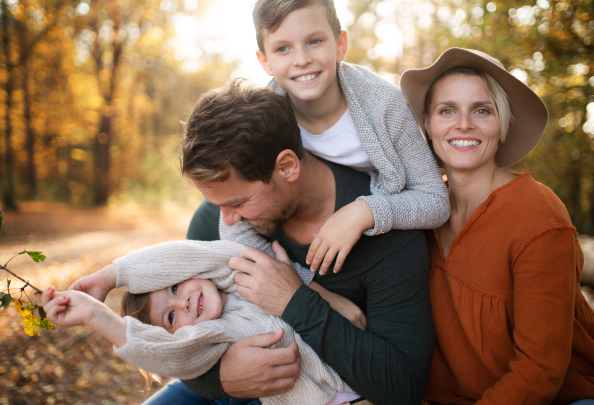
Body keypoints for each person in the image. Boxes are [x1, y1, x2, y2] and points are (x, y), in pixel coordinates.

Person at [71, 78, 435, 405]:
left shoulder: (389, 237)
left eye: (238, 202)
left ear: (287, 167)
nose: (225, 221)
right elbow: (177, 346)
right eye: (218, 205)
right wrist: (224, 378)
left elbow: (402, 388)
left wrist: (296, 301)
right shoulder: (214, 218)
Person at [399, 47, 594, 404]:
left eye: (481, 110)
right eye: (447, 110)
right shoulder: (415, 214)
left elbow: (540, 371)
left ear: (501, 124)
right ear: (427, 124)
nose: (463, 125)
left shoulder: (538, 216)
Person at [218, 0, 449, 276]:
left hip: (377, 228)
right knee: (207, 219)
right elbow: (233, 225)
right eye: (283, 48)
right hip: (302, 225)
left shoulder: (384, 106)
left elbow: (435, 201)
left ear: (340, 45)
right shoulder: (264, 115)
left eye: (314, 41)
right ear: (265, 61)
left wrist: (364, 211)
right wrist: (303, 284)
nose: (301, 59)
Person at [40, 239, 368, 405]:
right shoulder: (213, 335)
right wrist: (98, 316)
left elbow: (186, 254)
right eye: (171, 317)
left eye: (175, 286)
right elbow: (175, 354)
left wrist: (112, 275)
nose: (182, 301)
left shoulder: (232, 272)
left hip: (356, 364)